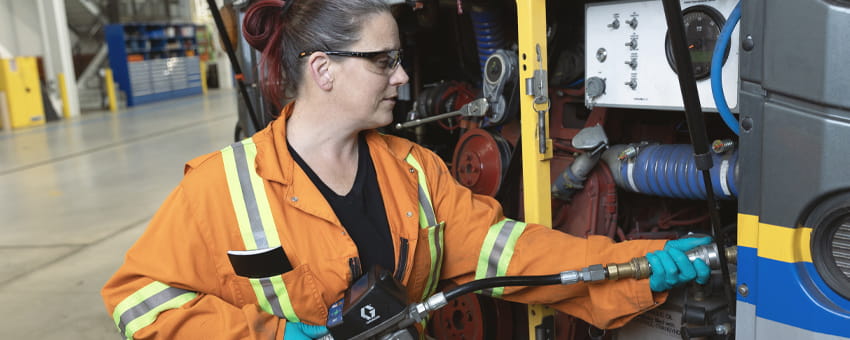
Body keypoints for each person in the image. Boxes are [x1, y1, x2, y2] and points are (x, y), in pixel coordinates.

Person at [101, 0, 712, 339]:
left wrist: (634, 267)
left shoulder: (416, 172)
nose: (402, 77)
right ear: (323, 70)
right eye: (384, 61)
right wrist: (272, 338)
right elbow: (139, 302)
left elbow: (506, 255)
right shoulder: (221, 185)